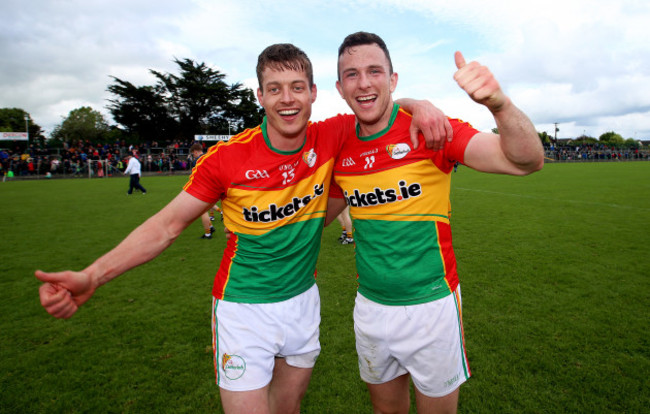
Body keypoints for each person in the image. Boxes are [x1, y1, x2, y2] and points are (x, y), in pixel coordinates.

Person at [35, 43, 448, 414]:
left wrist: (420, 103)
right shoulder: (225, 159)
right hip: (242, 309)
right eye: (274, 88)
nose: (287, 99)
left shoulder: (332, 134)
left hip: (302, 304)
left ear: (314, 93)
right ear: (260, 96)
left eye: (297, 87)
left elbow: (373, 102)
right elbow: (166, 226)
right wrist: (93, 275)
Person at [326, 32, 544, 414]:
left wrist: (499, 104)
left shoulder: (431, 130)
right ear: (340, 87)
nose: (363, 83)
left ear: (393, 80)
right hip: (371, 307)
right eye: (352, 75)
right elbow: (313, 217)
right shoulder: (340, 142)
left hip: (432, 306)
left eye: (375, 71)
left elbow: (526, 160)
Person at [187, 143, 215, 239]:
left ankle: (208, 233)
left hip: (204, 187)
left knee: (202, 211)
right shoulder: (208, 156)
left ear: (195, 152)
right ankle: (210, 227)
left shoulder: (197, 160)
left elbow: (197, 176)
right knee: (205, 209)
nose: (193, 156)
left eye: (193, 154)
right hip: (213, 186)